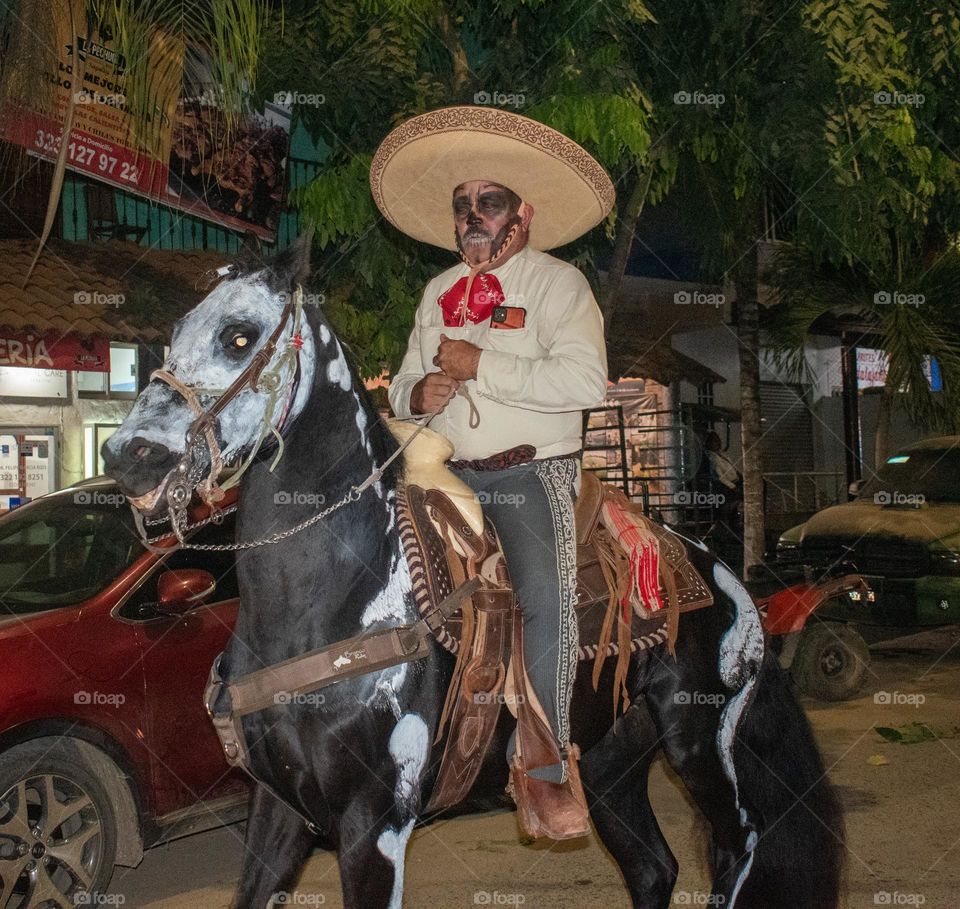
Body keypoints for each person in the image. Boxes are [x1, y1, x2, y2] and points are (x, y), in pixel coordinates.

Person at [373, 106, 613, 839]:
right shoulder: (436, 292)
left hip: (527, 474)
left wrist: (483, 366)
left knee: (543, 593)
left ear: (523, 213)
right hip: (437, 468)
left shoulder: (559, 285)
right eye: (463, 204)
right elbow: (403, 382)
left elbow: (585, 382)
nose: (473, 214)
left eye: (490, 200)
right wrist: (418, 393)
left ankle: (543, 767)